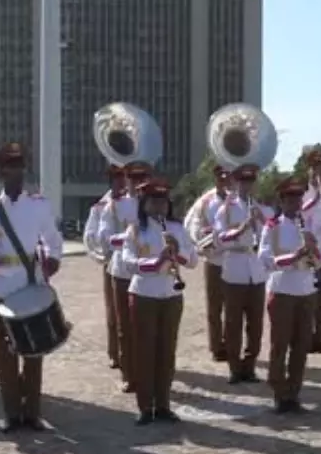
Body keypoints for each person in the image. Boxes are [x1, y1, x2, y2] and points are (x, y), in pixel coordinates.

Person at [0, 142, 65, 431]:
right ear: (0, 172)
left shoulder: (38, 205)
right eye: (10, 167)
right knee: (5, 353)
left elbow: (52, 237)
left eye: (20, 166)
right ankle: (12, 413)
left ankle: (32, 413)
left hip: (29, 283)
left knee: (33, 351)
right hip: (0, 286)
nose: (16, 172)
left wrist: (52, 259)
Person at [121, 177, 196, 424]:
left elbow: (193, 259)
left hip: (171, 294)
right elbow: (127, 262)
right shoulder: (135, 230)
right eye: (154, 201)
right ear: (144, 203)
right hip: (144, 293)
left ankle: (163, 404)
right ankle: (145, 406)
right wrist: (156, 261)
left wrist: (178, 253)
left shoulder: (176, 228)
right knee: (145, 351)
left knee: (167, 351)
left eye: (163, 201)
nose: (160, 206)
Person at [259, 176, 321, 413]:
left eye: (298, 199)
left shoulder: (309, 224)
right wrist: (295, 256)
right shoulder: (272, 226)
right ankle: (279, 392)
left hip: (306, 289)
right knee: (280, 344)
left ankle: (294, 392)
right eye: (290, 199)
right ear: (282, 201)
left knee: (301, 345)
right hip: (282, 289)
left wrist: (313, 249)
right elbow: (264, 259)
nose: (295, 204)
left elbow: (320, 261)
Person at [214, 164, 273, 384]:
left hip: (256, 270)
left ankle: (250, 365)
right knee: (233, 322)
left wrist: (262, 221)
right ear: (236, 184)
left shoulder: (263, 209)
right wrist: (240, 229)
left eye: (250, 182)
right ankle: (234, 368)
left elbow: (274, 233)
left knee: (255, 323)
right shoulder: (226, 209)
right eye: (243, 182)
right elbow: (219, 239)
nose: (247, 186)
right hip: (235, 267)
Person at [98, 162, 152, 392]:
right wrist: (129, 238)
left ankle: (147, 371)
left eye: (142, 177)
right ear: (127, 179)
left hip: (147, 270)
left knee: (146, 325)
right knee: (124, 326)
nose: (138, 182)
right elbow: (104, 237)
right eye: (134, 177)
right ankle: (129, 374)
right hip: (122, 269)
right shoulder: (114, 205)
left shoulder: (152, 204)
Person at [183, 166, 231, 362]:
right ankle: (216, 346)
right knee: (215, 306)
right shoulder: (206, 200)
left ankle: (231, 343)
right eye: (220, 175)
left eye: (227, 175)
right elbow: (191, 222)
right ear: (215, 177)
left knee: (233, 307)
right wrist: (201, 236)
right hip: (213, 259)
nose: (223, 179)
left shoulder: (238, 199)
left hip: (233, 258)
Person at [84, 165, 127, 369]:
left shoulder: (137, 202)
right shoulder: (100, 207)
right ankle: (115, 353)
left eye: (123, 178)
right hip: (113, 263)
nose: (122, 182)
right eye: (117, 178)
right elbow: (90, 237)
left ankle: (133, 352)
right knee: (114, 311)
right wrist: (104, 256)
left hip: (137, 264)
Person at [300, 148, 321, 353]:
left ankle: (320, 340)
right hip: (311, 254)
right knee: (308, 298)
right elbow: (304, 213)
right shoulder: (305, 196)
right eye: (316, 169)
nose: (320, 173)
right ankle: (306, 338)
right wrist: (316, 188)